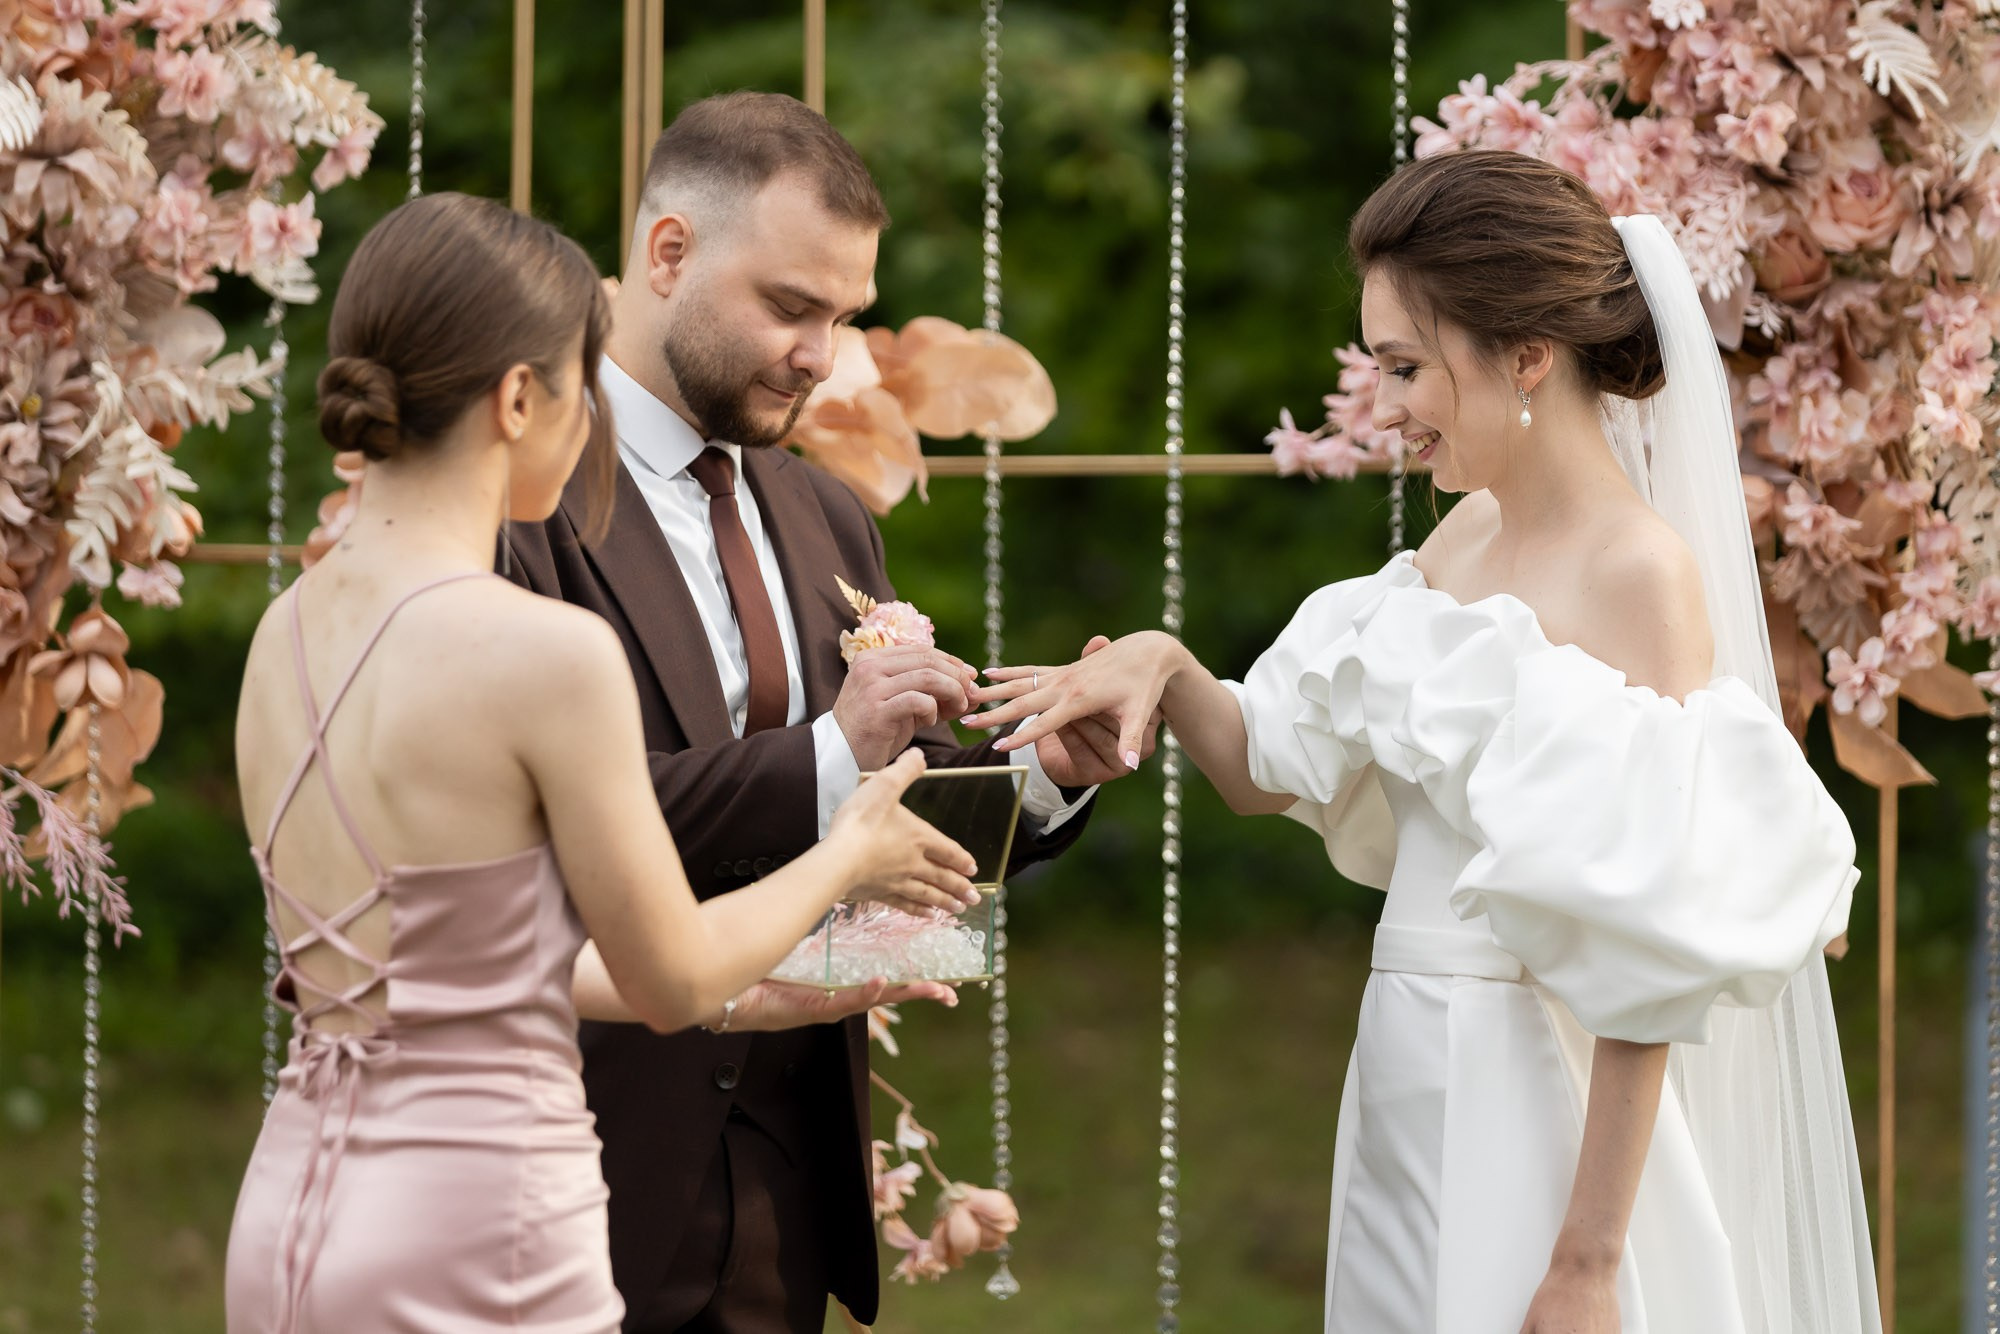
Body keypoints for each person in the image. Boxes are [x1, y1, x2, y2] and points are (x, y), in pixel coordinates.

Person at [970, 151, 1879, 1334]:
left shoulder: (1641, 575)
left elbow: (1649, 949)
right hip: (1400, 1075)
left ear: (1525, 356)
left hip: (1534, 1108)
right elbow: (1264, 768)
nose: (1387, 403)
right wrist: (1168, 666)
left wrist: (1589, 1261)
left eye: (1404, 366)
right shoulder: (1452, 549)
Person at [226, 192, 978, 1334]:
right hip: (485, 1212)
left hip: (296, 1204)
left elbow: (433, 959)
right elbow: (671, 976)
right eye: (583, 393)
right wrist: (853, 853)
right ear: (520, 398)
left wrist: (779, 1001)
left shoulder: (282, 634)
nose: (594, 431)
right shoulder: (546, 649)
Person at [504, 91, 1142, 1333]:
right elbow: (539, 824)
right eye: (790, 307)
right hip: (576, 1157)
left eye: (841, 317)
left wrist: (1045, 772)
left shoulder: (823, 511)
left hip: (787, 1179)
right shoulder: (520, 496)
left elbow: (880, 801)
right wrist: (831, 750)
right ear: (669, 251)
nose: (819, 354)